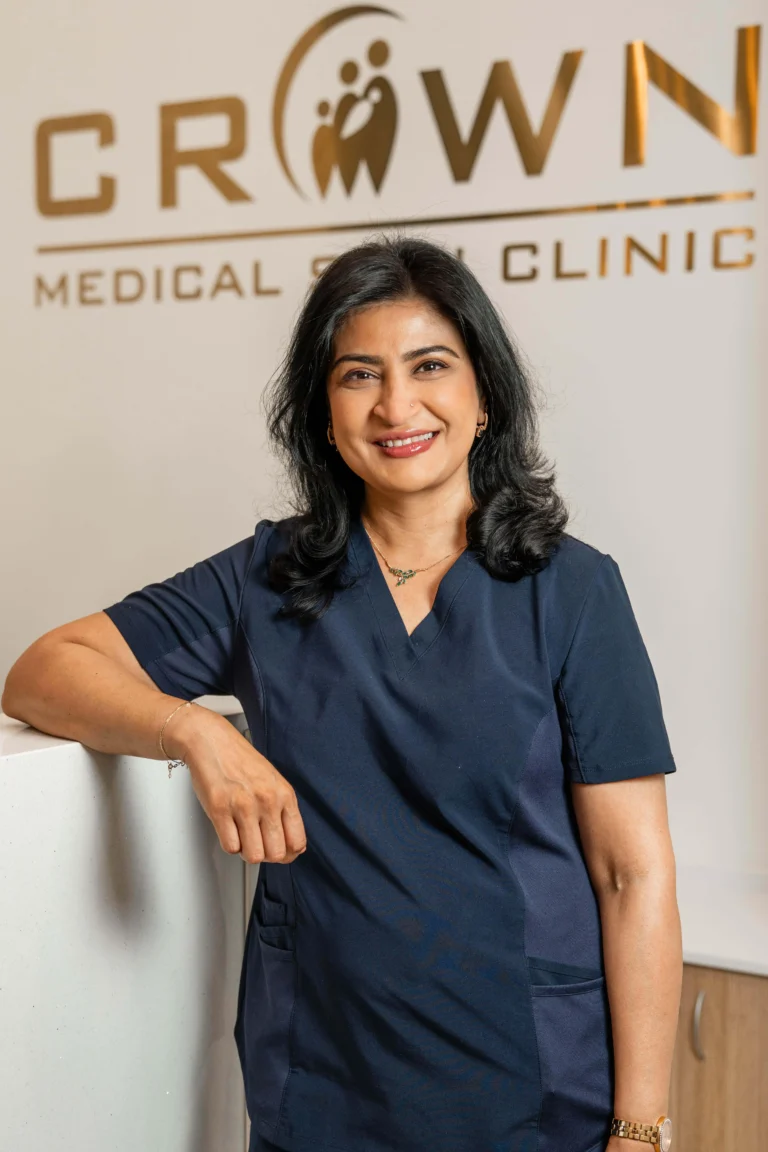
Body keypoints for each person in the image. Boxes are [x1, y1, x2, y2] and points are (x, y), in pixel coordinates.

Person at [2, 234, 682, 1152]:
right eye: (359, 375)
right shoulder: (269, 578)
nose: (396, 405)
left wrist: (641, 1125)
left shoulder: (572, 591)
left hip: (526, 1085)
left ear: (484, 394)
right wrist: (195, 733)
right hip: (323, 1082)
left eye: (430, 366)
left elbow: (632, 874)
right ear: (324, 413)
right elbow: (45, 670)